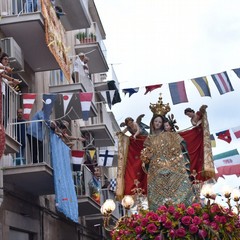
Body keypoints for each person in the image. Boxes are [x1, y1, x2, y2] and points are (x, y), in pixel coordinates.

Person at [140, 114, 195, 211]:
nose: (157, 123)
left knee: (179, 190)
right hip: (156, 170)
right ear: (152, 122)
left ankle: (182, 211)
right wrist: (147, 157)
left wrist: (173, 150)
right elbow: (146, 154)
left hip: (173, 167)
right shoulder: (149, 139)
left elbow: (182, 145)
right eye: (156, 121)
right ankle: (158, 215)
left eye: (160, 122)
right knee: (156, 195)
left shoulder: (170, 135)